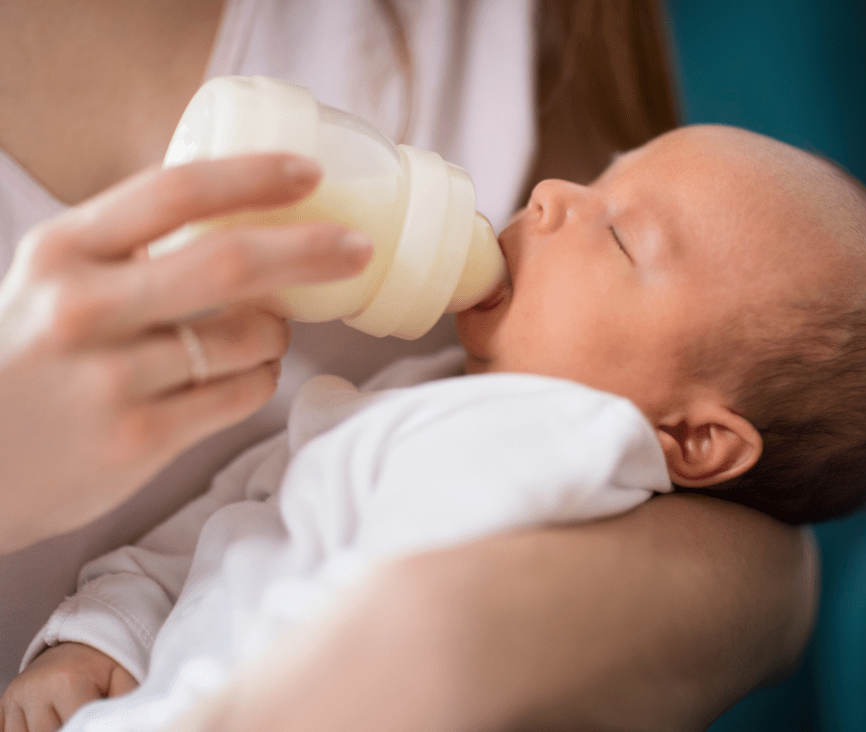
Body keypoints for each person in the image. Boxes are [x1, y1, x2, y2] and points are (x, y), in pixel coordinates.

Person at [0, 2, 819, 730]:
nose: (552, 194)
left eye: (618, 236)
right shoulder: (386, 405)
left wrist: (427, 647)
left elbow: (756, 562)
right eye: (599, 177)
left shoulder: (596, 451)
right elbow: (210, 536)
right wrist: (98, 638)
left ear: (696, 438)